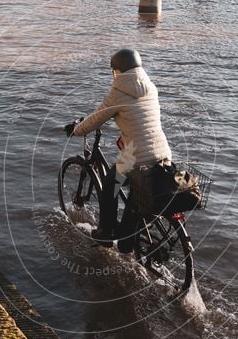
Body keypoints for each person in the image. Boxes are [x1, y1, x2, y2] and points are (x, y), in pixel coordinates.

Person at [65, 49, 172, 247]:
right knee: (137, 198)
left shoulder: (119, 92)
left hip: (136, 157)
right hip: (163, 152)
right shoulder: (151, 87)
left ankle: (106, 232)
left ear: (118, 70)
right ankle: (129, 237)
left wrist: (77, 130)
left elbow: (97, 117)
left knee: (110, 187)